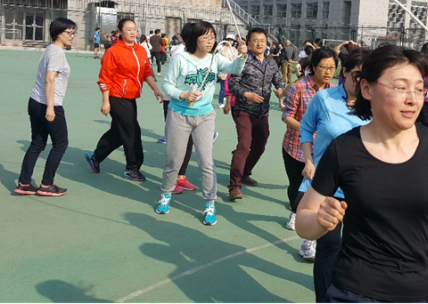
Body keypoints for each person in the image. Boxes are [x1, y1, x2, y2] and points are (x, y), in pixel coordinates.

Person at [296, 45, 428, 303]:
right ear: (367, 89)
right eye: (400, 87)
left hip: (421, 292)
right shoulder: (344, 149)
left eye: (419, 89)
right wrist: (320, 219)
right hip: (353, 292)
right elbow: (303, 220)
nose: (413, 99)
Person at [156, 21, 247, 225]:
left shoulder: (215, 59)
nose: (210, 41)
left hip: (205, 116)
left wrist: (242, 56)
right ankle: (166, 194)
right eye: (205, 37)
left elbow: (234, 68)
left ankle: (209, 203)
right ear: (194, 39)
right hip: (179, 115)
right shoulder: (180, 59)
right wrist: (183, 94)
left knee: (206, 162)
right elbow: (167, 85)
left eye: (212, 37)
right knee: (174, 160)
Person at [297, 47, 371, 299]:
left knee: (358, 249)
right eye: (357, 74)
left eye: (367, 76)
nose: (361, 81)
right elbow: (306, 128)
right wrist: (308, 161)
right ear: (345, 72)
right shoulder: (324, 98)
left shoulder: (376, 105)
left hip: (361, 188)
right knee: (329, 247)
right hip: (326, 187)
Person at [85, 18, 163, 182]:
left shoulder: (140, 50)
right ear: (120, 32)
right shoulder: (113, 52)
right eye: (128, 29)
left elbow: (146, 72)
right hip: (116, 96)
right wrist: (105, 101)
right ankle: (132, 168)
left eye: (134, 29)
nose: (133, 32)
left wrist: (156, 89)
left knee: (118, 132)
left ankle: (96, 156)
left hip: (131, 97)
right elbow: (104, 78)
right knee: (132, 131)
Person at [281, 48, 337, 260]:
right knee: (297, 189)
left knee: (317, 193)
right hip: (295, 148)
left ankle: (309, 241)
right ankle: (295, 210)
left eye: (332, 68)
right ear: (313, 67)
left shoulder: (335, 91)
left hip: (323, 153)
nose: (328, 72)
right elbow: (287, 116)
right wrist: (310, 130)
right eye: (323, 67)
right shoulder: (298, 87)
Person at [15, 18, 77, 196]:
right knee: (61, 144)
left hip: (35, 101)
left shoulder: (50, 49)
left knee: (37, 143)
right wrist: (50, 107)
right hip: (49, 104)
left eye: (73, 33)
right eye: (68, 32)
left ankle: (24, 183)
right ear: (58, 33)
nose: (72, 36)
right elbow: (50, 79)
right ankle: (47, 185)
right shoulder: (57, 52)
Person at [227, 27, 285, 201]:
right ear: (248, 43)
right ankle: (234, 186)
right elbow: (232, 84)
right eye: (255, 40)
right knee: (244, 146)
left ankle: (245, 172)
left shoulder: (271, 62)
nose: (259, 43)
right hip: (243, 110)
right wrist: (247, 94)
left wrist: (280, 90)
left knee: (260, 145)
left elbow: (279, 80)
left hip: (262, 112)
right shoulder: (242, 60)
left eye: (262, 40)